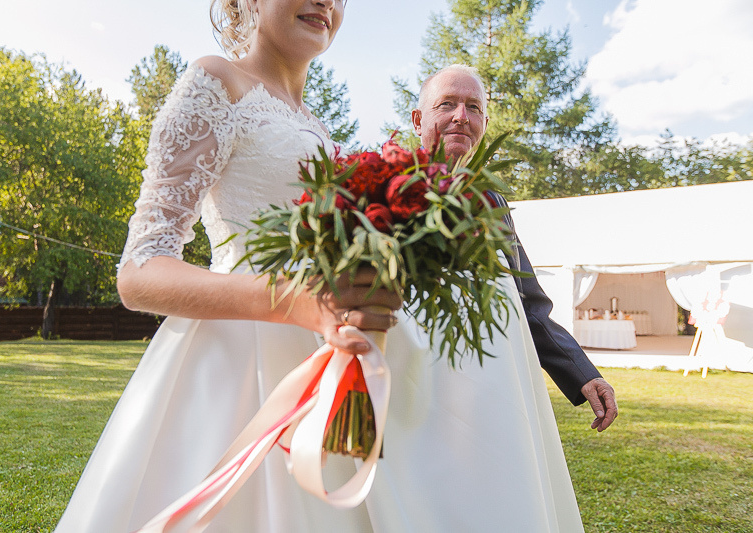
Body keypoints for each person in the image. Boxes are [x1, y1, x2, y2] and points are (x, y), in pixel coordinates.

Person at [57, 5, 599, 532]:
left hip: (329, 351)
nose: (326, 2)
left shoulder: (311, 121)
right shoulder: (215, 80)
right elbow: (140, 272)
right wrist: (296, 301)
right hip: (244, 358)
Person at [411, 64, 617, 431]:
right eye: (447, 104)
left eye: (474, 108)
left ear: (485, 126)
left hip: (495, 386)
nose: (461, 117)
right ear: (417, 119)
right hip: (414, 385)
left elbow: (529, 303)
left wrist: (581, 373)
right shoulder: (382, 189)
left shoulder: (494, 202)